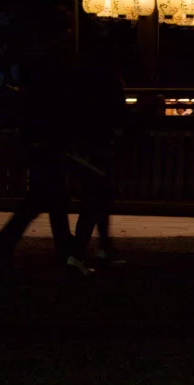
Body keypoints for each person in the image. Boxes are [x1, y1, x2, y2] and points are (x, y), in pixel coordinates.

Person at [0, 4, 90, 275]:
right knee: (45, 199)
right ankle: (7, 249)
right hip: (48, 135)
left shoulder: (38, 59)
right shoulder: (54, 59)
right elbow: (55, 100)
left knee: (49, 199)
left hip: (41, 134)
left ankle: (62, 254)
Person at [71, 37, 125, 263]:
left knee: (93, 197)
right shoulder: (110, 81)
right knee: (98, 198)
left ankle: (89, 245)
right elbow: (119, 111)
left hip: (85, 142)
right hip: (101, 142)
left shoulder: (81, 79)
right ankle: (89, 246)